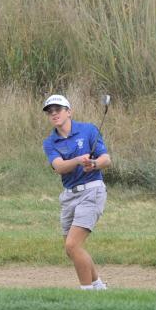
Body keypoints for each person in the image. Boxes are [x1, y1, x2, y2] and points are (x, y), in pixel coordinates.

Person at [41, 94, 110, 290]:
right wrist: (79, 160)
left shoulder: (88, 130)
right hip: (69, 194)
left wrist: (94, 163)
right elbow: (60, 167)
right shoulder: (50, 142)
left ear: (68, 112)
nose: (54, 114)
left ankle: (86, 293)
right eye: (50, 112)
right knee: (71, 249)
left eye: (58, 110)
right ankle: (98, 287)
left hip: (92, 191)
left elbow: (106, 159)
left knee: (72, 245)